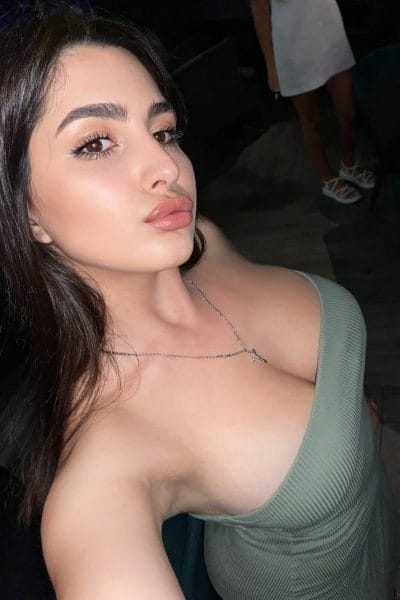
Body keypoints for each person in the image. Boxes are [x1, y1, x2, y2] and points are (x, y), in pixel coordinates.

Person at [0, 5, 397, 599]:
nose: (167, 167)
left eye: (162, 131)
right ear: (26, 212)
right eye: (96, 143)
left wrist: (352, 423)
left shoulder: (199, 240)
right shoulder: (106, 462)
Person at [250, 0, 376, 204]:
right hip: (293, 45)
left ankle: (349, 165)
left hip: (330, 33)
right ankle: (328, 179)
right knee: (311, 120)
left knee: (348, 112)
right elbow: (260, 12)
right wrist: (271, 66)